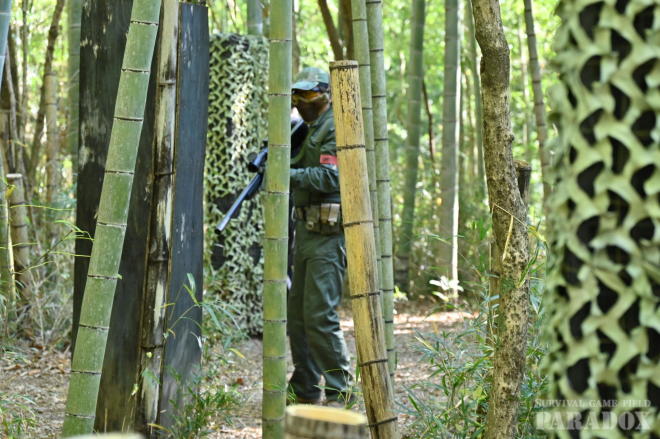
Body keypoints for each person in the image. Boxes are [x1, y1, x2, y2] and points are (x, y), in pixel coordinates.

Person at [287, 67, 353, 407]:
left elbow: (331, 177)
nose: (302, 102)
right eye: (297, 96)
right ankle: (305, 387)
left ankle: (340, 390)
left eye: (309, 95)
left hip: (328, 235)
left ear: (326, 94)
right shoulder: (306, 128)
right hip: (305, 231)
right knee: (297, 318)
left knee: (319, 315)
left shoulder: (335, 126)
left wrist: (287, 174)